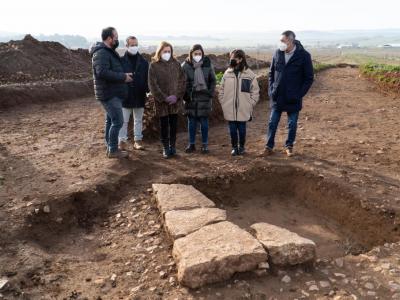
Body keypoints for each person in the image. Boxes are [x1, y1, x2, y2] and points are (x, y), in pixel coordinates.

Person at [265, 30, 314, 157]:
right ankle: (268, 147)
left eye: (283, 41)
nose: (280, 43)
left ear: (291, 41)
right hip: (278, 95)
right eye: (280, 40)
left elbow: (309, 78)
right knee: (272, 122)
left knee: (292, 124)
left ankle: (289, 146)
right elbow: (271, 73)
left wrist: (299, 94)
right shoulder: (277, 53)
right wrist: (271, 90)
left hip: (293, 97)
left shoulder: (304, 56)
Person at [90, 26, 132, 159]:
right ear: (109, 39)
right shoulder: (101, 53)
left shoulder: (108, 51)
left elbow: (111, 70)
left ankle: (110, 146)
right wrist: (123, 77)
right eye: (116, 38)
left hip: (112, 92)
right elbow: (101, 72)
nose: (117, 40)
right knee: (118, 121)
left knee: (110, 120)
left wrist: (124, 74)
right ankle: (113, 150)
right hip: (109, 94)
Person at [148, 41, 186, 159]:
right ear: (159, 52)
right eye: (165, 51)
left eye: (169, 51)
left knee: (174, 125)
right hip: (161, 103)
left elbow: (182, 81)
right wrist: (164, 98)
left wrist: (177, 96)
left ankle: (173, 146)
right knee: (164, 125)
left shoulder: (176, 64)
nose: (167, 53)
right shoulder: (154, 66)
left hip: (175, 102)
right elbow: (152, 85)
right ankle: (165, 148)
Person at [219, 49, 260, 156]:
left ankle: (241, 147)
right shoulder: (227, 73)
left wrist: (250, 103)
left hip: (243, 108)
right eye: (230, 58)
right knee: (232, 130)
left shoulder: (249, 74)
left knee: (242, 130)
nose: (231, 60)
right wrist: (223, 101)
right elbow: (221, 89)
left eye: (233, 58)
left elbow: (255, 91)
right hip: (229, 108)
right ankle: (234, 147)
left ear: (240, 59)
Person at [181, 44, 216, 154]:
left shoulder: (207, 64)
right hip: (191, 98)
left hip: (205, 98)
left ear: (202, 54)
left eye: (199, 54)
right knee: (191, 123)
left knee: (204, 123)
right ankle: (191, 144)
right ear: (191, 54)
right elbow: (182, 83)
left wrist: (210, 93)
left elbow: (213, 80)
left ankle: (205, 145)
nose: (197, 56)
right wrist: (185, 95)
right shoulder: (185, 66)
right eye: (195, 54)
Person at [118, 36, 149, 151]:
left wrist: (148, 91)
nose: (134, 47)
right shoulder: (121, 61)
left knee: (138, 120)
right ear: (126, 46)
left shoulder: (144, 62)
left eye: (136, 44)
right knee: (124, 120)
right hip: (126, 95)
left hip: (140, 94)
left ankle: (138, 140)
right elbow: (118, 77)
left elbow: (147, 79)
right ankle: (122, 141)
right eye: (132, 45)